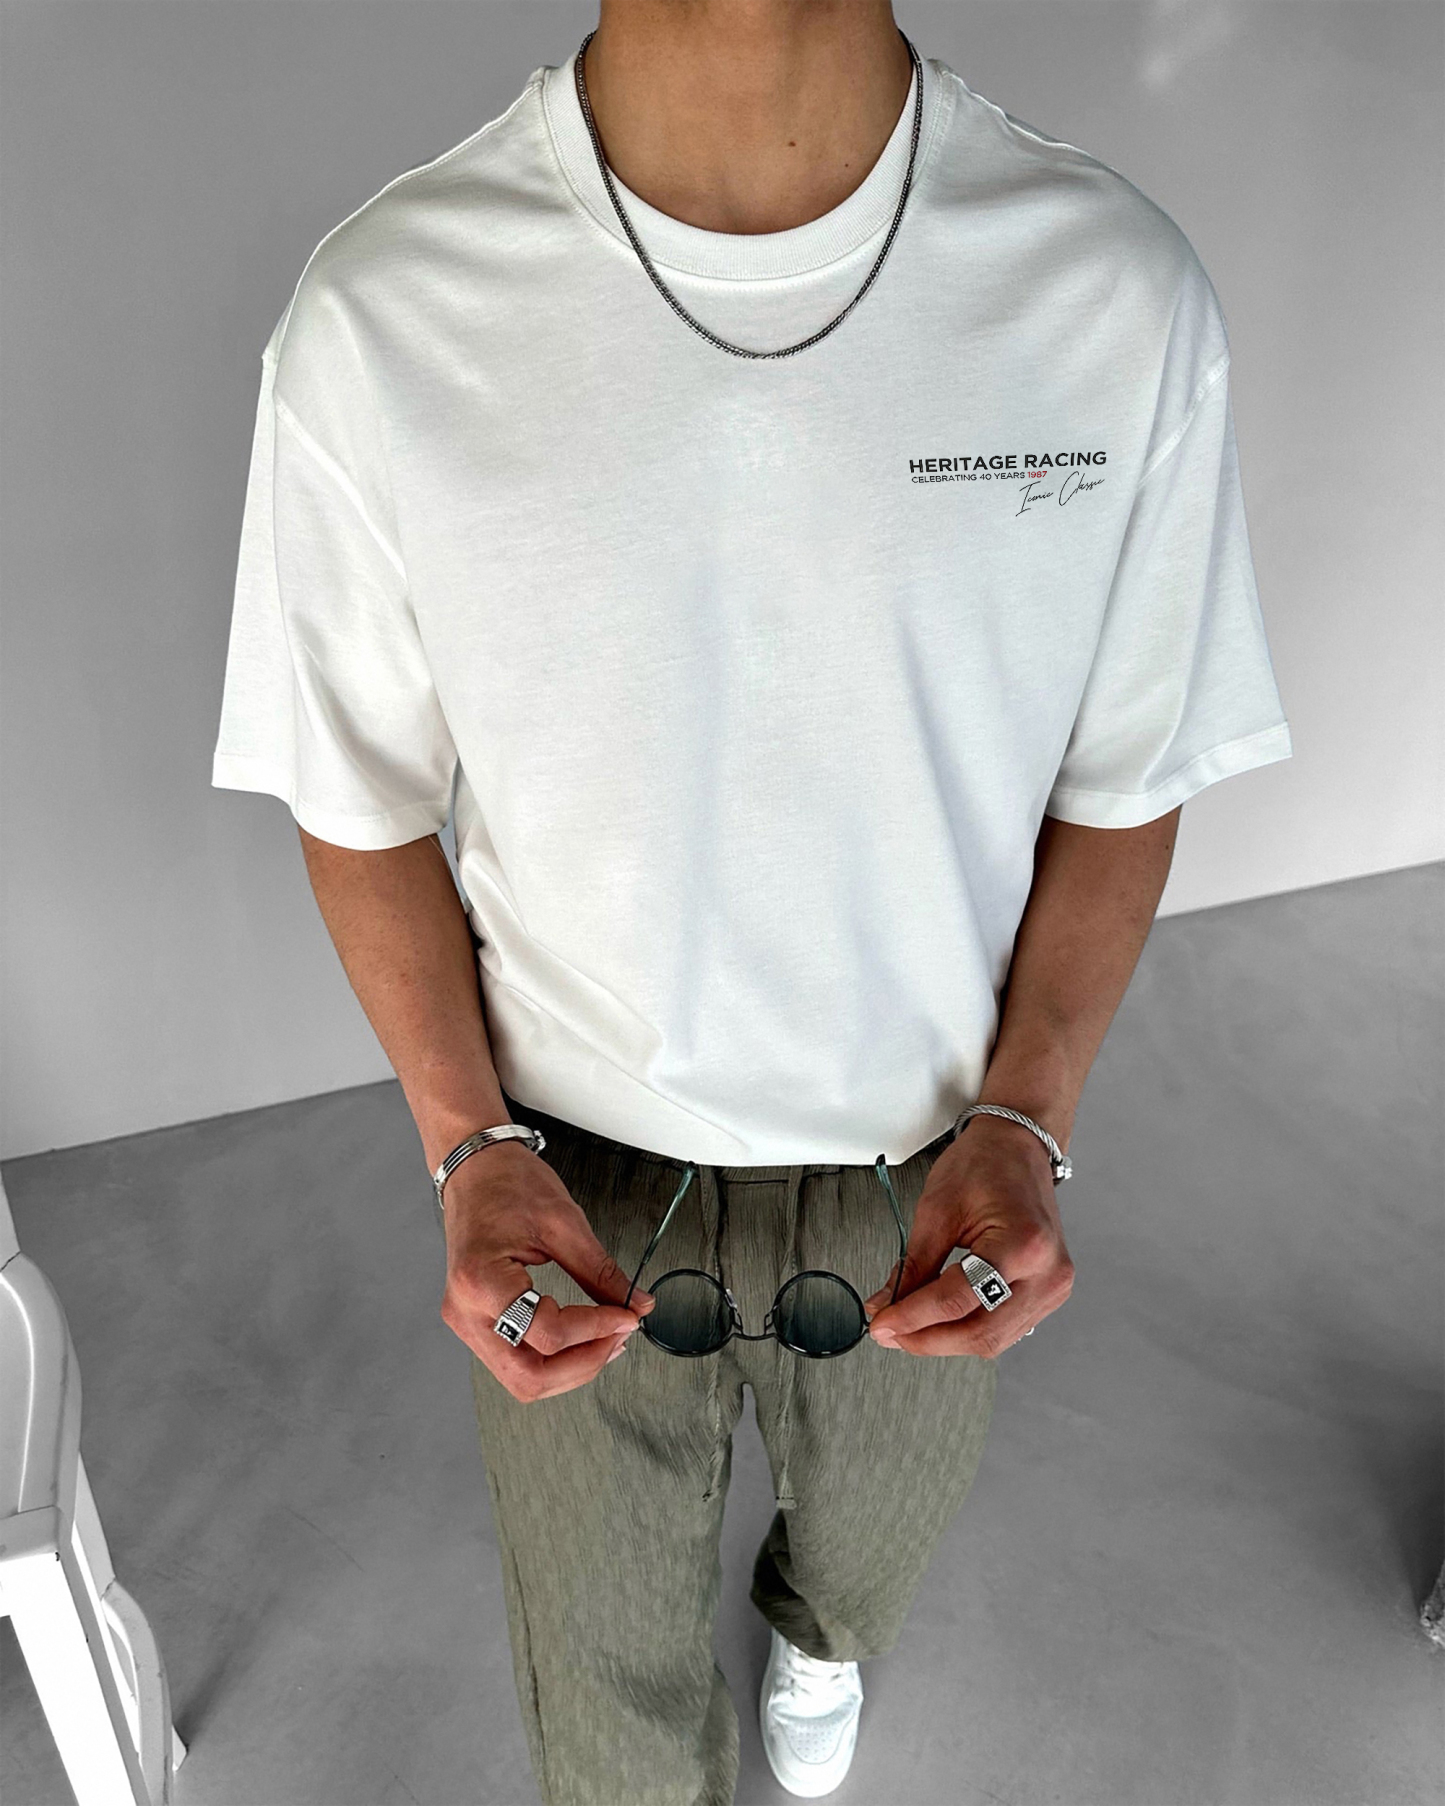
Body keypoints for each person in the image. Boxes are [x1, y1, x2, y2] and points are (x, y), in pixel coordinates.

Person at [210, 2, 1293, 1800]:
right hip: (561, 1166)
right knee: (606, 1697)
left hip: (932, 1154)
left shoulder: (1109, 290)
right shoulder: (385, 311)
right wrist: (464, 1146)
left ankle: (816, 1625)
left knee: (872, 1549)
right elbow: (361, 796)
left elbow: (1124, 777)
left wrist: (1030, 1112)